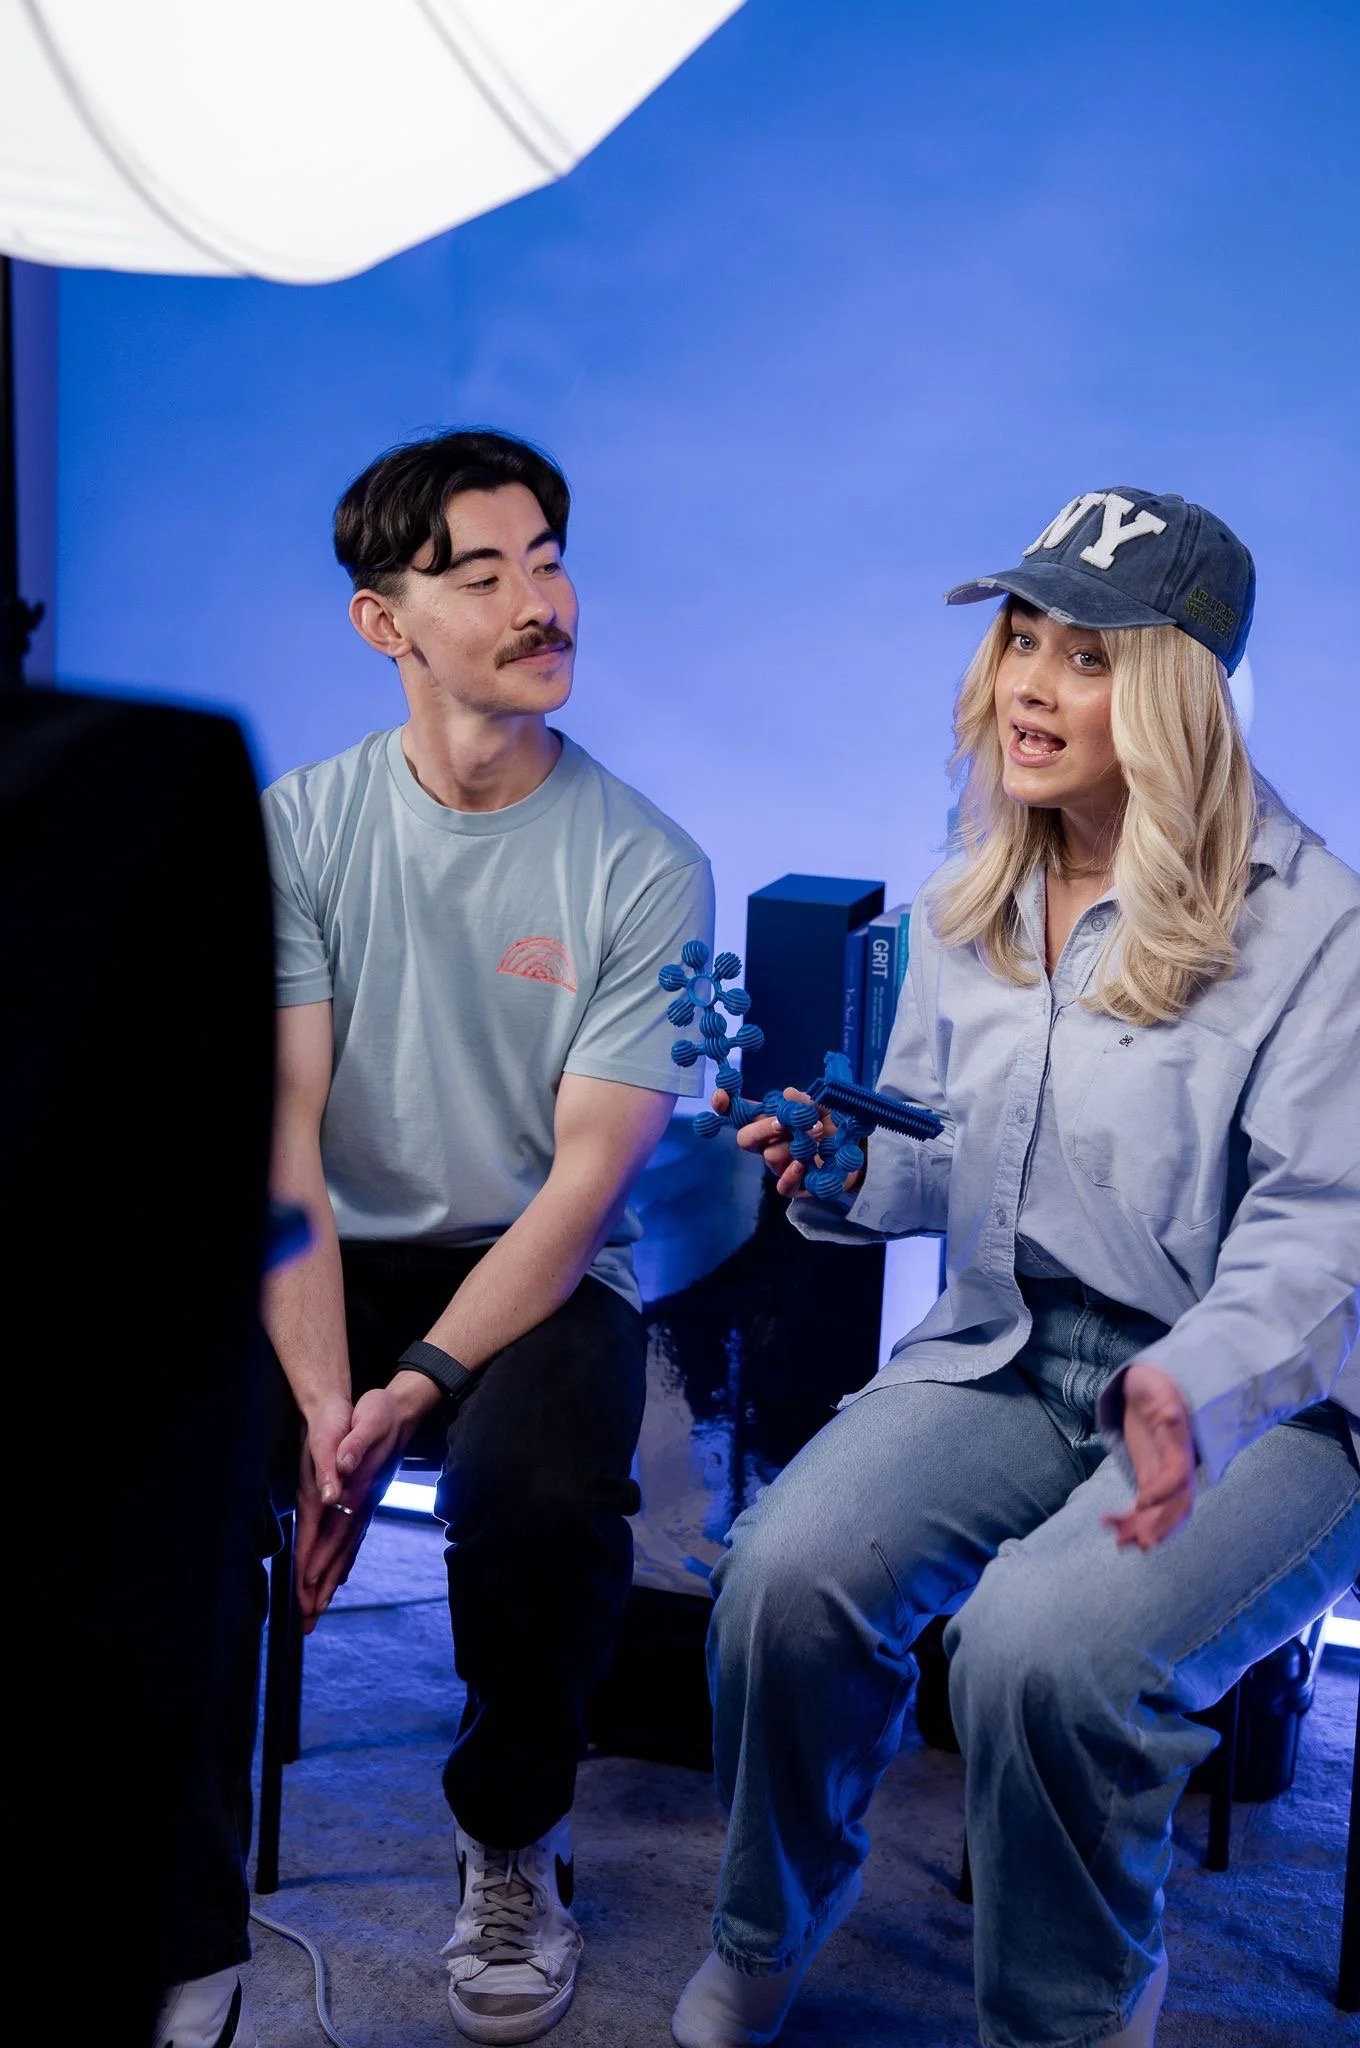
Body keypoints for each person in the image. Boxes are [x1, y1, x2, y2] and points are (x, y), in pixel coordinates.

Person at [671, 487, 1360, 2048]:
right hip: (1014, 1346)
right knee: (785, 1578)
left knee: (1047, 1652)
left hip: (1271, 1403)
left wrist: (1188, 1383)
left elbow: (1326, 1238)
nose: (1028, 687)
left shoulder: (1320, 931)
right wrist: (843, 1170)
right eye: (1020, 640)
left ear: (1181, 694)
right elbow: (951, 1164)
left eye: (1089, 659)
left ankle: (1080, 2004)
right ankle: (773, 1918)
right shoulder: (975, 891)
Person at [261, 429, 713, 2045]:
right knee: (128, 1439)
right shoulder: (298, 830)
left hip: (530, 1262)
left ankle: (515, 1835)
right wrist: (329, 1408)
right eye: (484, 572)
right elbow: (284, 1147)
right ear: (385, 624)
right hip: (329, 1252)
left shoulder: (645, 865)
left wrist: (413, 1395)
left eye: (550, 559)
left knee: (537, 1493)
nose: (543, 602)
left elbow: (585, 1187)